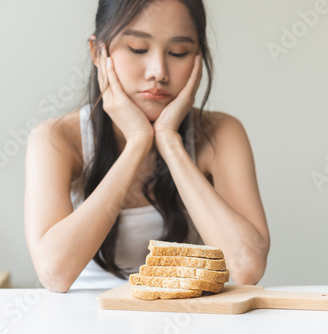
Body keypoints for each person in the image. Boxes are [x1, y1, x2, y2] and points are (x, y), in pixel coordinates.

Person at [24, 0, 270, 293]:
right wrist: (137, 144)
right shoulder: (56, 138)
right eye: (138, 49)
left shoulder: (221, 133)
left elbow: (247, 267)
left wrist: (170, 143)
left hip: (184, 316)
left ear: (198, 59)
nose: (158, 72)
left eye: (179, 52)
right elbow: (55, 273)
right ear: (97, 52)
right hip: (83, 315)